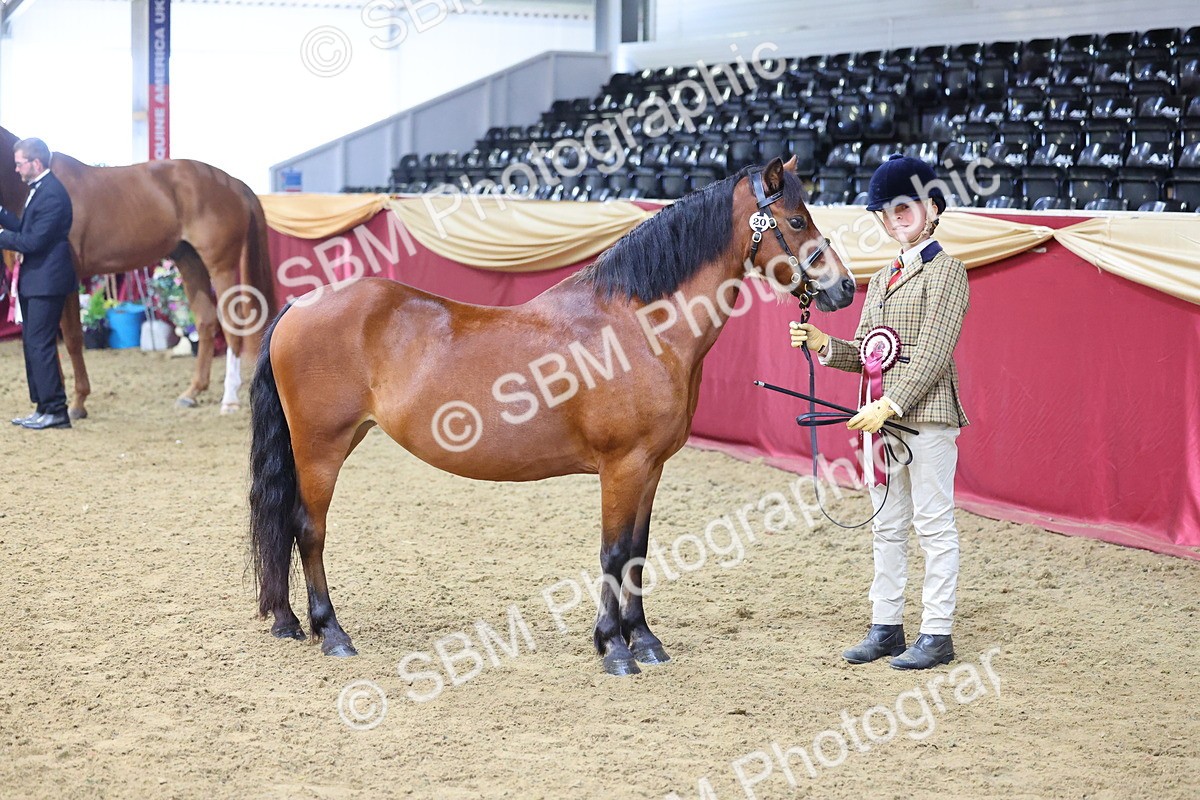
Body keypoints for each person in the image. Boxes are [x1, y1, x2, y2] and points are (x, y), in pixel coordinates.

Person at [789, 154, 969, 670]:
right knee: (887, 525)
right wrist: (826, 345)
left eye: (904, 208)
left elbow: (934, 351)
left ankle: (937, 632)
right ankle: (886, 625)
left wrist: (890, 402)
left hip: (929, 418)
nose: (895, 220)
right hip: (881, 421)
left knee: (933, 526)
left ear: (932, 208)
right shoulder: (885, 274)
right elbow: (871, 350)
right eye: (886, 213)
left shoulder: (947, 272)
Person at [1, 137, 76, 430]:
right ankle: (43, 406)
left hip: (48, 281)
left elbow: (33, 241)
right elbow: (25, 228)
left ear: (36, 163)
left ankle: (56, 410)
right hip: (37, 281)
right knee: (33, 345)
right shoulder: (40, 191)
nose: (16, 169)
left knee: (40, 345)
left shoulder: (53, 194)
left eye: (20, 163)